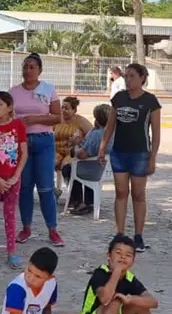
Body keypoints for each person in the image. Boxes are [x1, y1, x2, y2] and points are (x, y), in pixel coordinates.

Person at [98, 63, 161, 253]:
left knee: (139, 194)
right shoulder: (119, 98)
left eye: (132, 76)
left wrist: (153, 158)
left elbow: (156, 132)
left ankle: (139, 235)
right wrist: (102, 146)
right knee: (120, 192)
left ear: (142, 78)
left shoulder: (150, 101)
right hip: (119, 152)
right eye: (126, 76)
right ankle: (119, 233)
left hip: (140, 153)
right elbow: (110, 126)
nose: (128, 79)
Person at [10, 54, 63, 247]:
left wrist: (34, 119)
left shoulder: (48, 89)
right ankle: (26, 227)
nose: (28, 70)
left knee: (46, 187)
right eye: (25, 66)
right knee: (24, 187)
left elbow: (57, 117)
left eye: (32, 67)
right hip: (21, 143)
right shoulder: (13, 92)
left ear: (40, 70)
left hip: (43, 141)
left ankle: (52, 229)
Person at [0, 92, 29, 270]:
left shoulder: (18, 126)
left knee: (10, 214)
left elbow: (24, 153)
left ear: (9, 107)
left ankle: (11, 252)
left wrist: (16, 175)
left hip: (13, 178)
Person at [64, 104, 111, 216]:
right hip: (108, 169)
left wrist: (75, 147)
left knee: (68, 169)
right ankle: (89, 201)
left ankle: (78, 201)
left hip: (93, 169)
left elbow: (82, 155)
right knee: (87, 165)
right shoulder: (114, 132)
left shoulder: (97, 134)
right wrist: (81, 142)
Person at [54, 96, 92, 196]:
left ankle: (72, 195)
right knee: (49, 163)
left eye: (67, 108)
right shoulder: (57, 119)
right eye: (62, 107)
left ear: (74, 110)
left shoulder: (81, 121)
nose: (63, 110)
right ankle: (53, 190)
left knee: (66, 166)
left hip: (71, 152)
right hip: (56, 151)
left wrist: (79, 141)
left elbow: (91, 136)